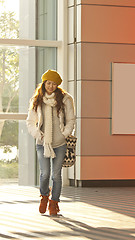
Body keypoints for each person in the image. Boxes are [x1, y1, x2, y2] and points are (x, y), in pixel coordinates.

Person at [26, 69, 75, 216]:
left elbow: (71, 119)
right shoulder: (37, 99)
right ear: (44, 83)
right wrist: (37, 134)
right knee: (45, 174)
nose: (50, 86)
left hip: (60, 143)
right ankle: (44, 197)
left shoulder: (66, 99)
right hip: (42, 143)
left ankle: (54, 203)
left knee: (56, 175)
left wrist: (65, 134)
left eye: (54, 84)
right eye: (48, 83)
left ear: (57, 85)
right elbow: (30, 121)